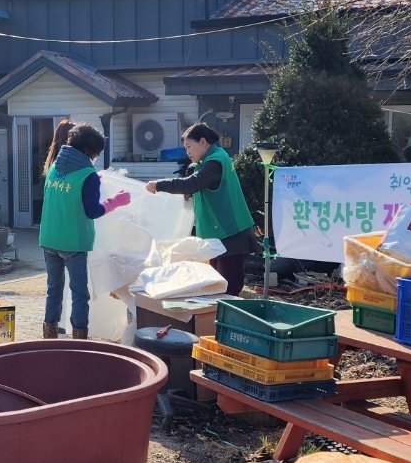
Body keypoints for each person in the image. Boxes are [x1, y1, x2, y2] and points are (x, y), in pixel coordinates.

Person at [38, 123, 130, 339]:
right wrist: (116, 201)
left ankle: (49, 336)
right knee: (79, 294)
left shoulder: (55, 166)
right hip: (73, 242)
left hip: (49, 238)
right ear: (90, 151)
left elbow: (65, 194)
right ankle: (79, 340)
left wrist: (92, 182)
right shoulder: (87, 175)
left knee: (53, 290)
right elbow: (93, 211)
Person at [146, 123, 255, 296]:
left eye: (189, 146)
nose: (187, 152)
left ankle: (223, 314)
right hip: (220, 235)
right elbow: (200, 186)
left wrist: (159, 185)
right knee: (215, 286)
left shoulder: (215, 161)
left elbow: (194, 183)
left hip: (230, 234)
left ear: (203, 142)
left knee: (227, 288)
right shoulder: (211, 159)